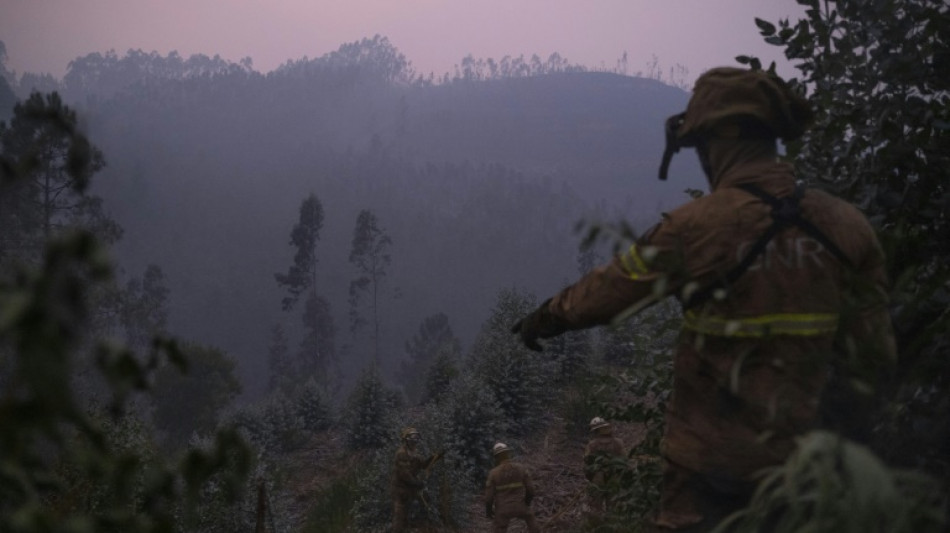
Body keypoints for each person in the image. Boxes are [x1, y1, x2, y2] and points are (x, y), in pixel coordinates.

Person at [511, 67, 896, 531]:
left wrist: (547, 317)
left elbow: (607, 292)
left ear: (714, 142)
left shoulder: (695, 229)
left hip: (709, 480)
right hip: (815, 475)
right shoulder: (847, 226)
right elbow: (876, 358)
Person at [391, 427, 441, 533]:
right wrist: (417, 483)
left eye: (417, 437)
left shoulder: (414, 452)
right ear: (407, 439)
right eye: (413, 437)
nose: (416, 440)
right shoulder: (401, 453)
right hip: (400, 489)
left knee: (411, 513)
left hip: (410, 488)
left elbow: (423, 465)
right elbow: (404, 474)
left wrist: (433, 458)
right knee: (399, 516)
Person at [484, 442, 541, 533]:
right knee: (531, 520)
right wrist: (527, 503)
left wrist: (489, 512)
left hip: (502, 509)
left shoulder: (493, 473)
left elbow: (488, 498)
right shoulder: (521, 468)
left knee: (499, 528)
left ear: (496, 457)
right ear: (508, 454)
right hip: (521, 505)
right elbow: (531, 490)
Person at [584, 417, 626, 513]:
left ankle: (597, 525)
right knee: (613, 507)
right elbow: (625, 460)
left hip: (598, 479)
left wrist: (591, 476)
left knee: (596, 508)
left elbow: (587, 462)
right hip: (615, 478)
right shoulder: (619, 443)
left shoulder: (591, 445)